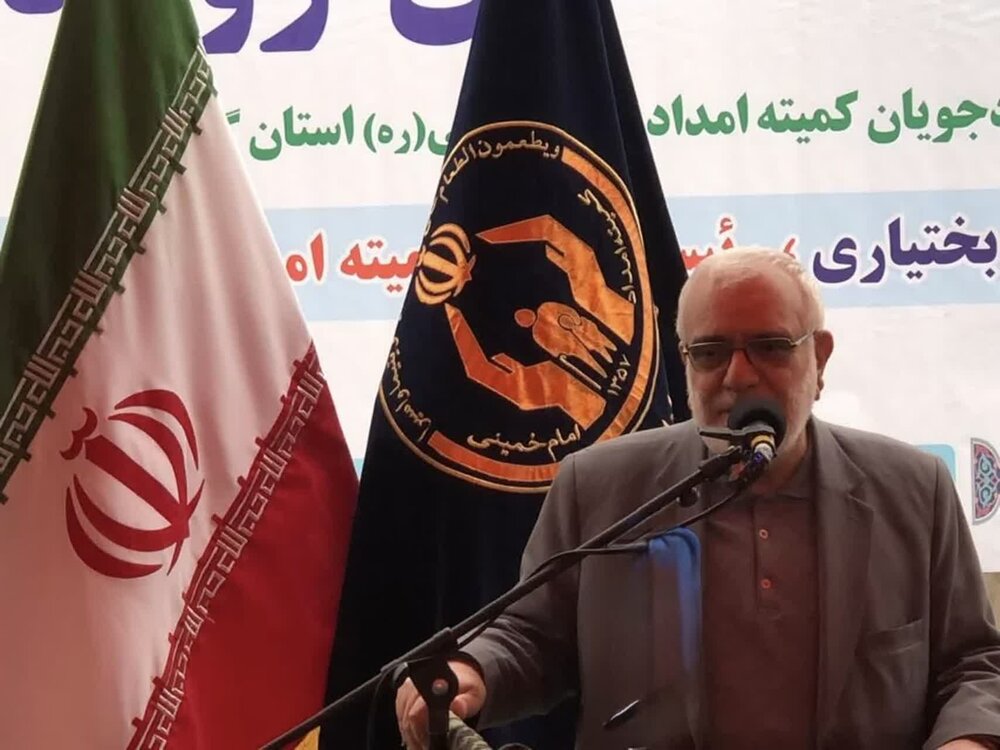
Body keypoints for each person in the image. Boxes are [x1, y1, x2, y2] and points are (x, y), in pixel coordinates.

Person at [395, 248, 1000, 749]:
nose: (738, 376)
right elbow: (534, 638)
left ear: (819, 358)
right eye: (710, 353)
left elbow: (974, 663)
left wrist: (968, 740)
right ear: (684, 363)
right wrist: (471, 670)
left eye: (770, 346)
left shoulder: (912, 489)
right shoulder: (599, 486)